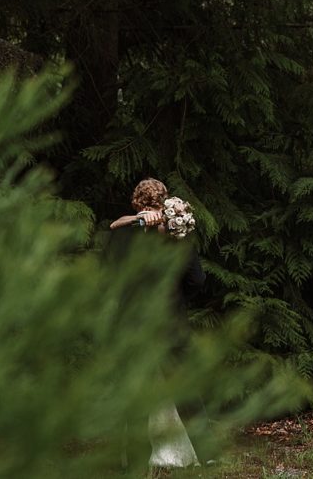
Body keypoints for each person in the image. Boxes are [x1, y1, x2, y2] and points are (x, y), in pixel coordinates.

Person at [111, 178, 204, 469]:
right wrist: (177, 299)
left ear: (136, 202)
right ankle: (207, 450)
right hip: (170, 318)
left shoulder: (124, 234)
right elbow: (197, 281)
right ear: (165, 201)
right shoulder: (178, 233)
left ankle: (134, 460)